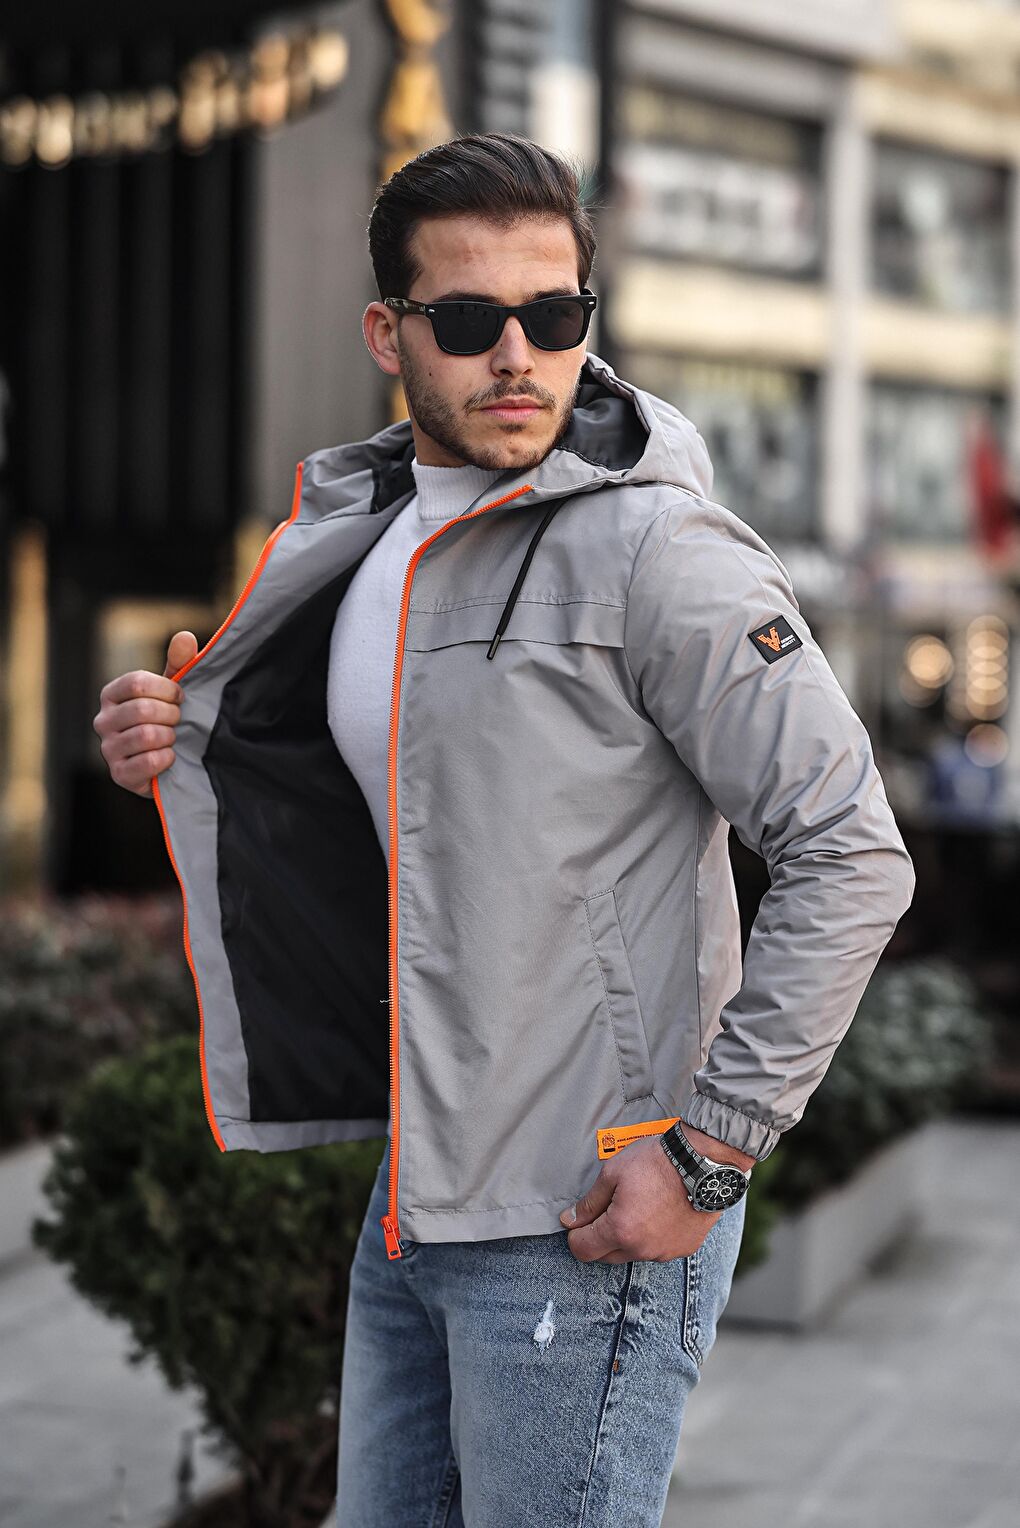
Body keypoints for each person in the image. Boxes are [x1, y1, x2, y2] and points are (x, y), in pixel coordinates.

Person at [92, 132, 915, 1528]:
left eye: (556, 313)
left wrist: (711, 1156)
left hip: (586, 1210)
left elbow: (852, 852)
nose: (520, 355)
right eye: (470, 320)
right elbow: (411, 815)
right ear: (389, 334)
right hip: (419, 1190)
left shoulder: (660, 552)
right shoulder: (370, 534)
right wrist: (177, 742)